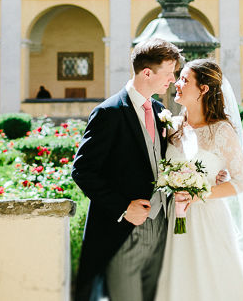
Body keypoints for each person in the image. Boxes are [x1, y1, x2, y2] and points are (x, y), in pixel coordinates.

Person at [71, 38, 183, 301]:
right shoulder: (109, 112)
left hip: (161, 228)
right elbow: (82, 170)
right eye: (169, 73)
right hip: (123, 232)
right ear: (147, 73)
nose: (173, 80)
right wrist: (123, 207)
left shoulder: (160, 110)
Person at [155, 58, 243, 301]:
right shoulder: (172, 127)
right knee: (179, 280)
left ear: (203, 89)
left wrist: (199, 194)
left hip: (208, 219)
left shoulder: (222, 131)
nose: (177, 83)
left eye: (184, 80)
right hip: (173, 218)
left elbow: (241, 182)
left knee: (212, 283)